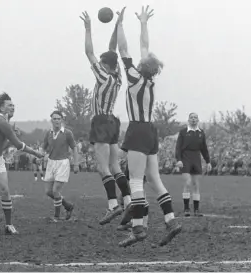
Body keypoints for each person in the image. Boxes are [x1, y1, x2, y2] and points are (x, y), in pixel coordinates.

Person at [117, 6, 181, 247]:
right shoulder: (150, 79)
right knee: (154, 179)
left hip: (137, 129)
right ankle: (171, 221)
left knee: (135, 180)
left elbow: (123, 48)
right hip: (151, 131)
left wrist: (120, 24)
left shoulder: (133, 76)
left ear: (142, 65)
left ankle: (138, 228)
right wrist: (143, 23)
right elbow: (144, 46)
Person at [79, 8, 131, 226]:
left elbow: (89, 53)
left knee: (102, 168)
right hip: (113, 122)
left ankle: (112, 205)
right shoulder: (117, 76)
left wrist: (88, 28)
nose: (98, 64)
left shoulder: (103, 75)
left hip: (100, 121)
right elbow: (112, 49)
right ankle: (129, 203)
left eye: (102, 63)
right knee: (115, 167)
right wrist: (117, 24)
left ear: (105, 65)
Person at [0, 93, 44, 235]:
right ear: (1, 108)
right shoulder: (1, 122)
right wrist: (36, 153)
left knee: (5, 190)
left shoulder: (4, 124)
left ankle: (8, 225)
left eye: (13, 105)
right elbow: (18, 145)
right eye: (9, 105)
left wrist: (10, 141)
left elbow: (1, 148)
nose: (13, 107)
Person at [41, 110, 78, 221]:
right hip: (51, 163)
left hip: (62, 163)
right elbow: (43, 147)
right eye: (54, 118)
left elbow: (74, 148)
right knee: (48, 191)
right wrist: (40, 155)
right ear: (51, 120)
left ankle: (56, 217)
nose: (57, 120)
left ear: (61, 120)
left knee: (56, 190)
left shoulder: (67, 133)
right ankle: (68, 206)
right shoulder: (48, 133)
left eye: (58, 118)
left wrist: (76, 163)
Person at [175, 113, 212, 216]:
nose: (193, 119)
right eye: (191, 118)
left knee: (196, 184)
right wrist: (179, 159)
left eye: (195, 118)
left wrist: (208, 161)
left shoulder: (201, 133)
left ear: (198, 120)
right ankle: (186, 209)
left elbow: (204, 149)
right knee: (187, 182)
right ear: (188, 120)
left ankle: (196, 210)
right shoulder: (183, 132)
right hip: (185, 158)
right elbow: (178, 147)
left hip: (196, 158)